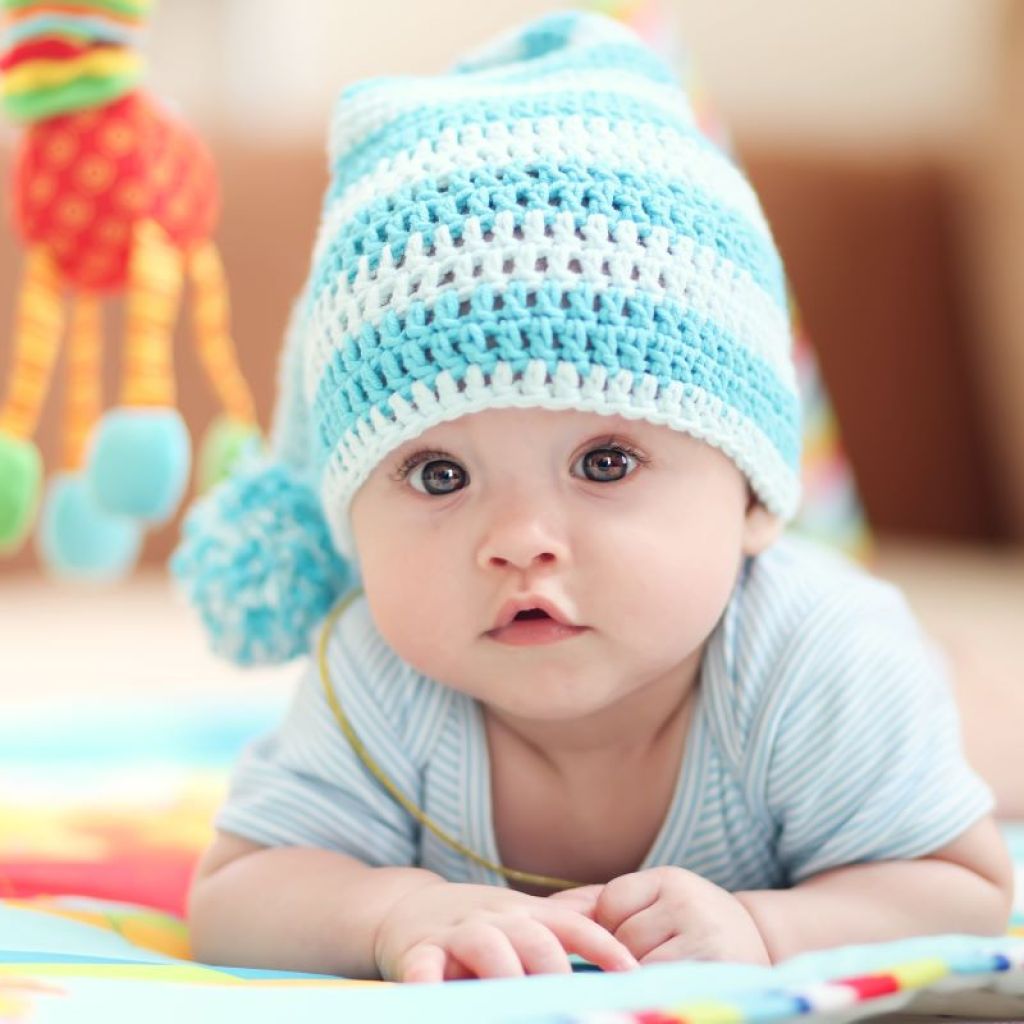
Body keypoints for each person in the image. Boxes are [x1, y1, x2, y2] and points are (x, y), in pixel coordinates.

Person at [173, 11, 1013, 985]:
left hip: (889, 697)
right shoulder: (379, 676)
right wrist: (392, 909)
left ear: (754, 496)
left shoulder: (817, 659)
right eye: (439, 474)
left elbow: (957, 879)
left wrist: (767, 928)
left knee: (972, 725)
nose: (520, 540)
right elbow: (236, 894)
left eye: (605, 463)